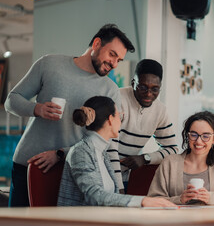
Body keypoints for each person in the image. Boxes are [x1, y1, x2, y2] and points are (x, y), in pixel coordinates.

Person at [5, 24, 134, 207]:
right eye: (112, 54)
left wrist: (60, 154)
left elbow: (104, 141)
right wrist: (37, 109)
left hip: (72, 171)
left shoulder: (110, 90)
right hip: (28, 163)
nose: (114, 63)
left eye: (119, 60)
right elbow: (11, 100)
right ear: (97, 43)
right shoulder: (49, 64)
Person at [57, 96, 175, 207]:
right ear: (110, 119)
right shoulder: (81, 152)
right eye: (119, 115)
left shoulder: (103, 153)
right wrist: (142, 201)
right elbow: (94, 196)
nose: (121, 120)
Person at [147, 111, 214, 205]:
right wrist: (179, 199)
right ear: (187, 136)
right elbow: (152, 200)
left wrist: (211, 198)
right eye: (194, 135)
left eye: (206, 136)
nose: (198, 141)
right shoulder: (170, 163)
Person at [107, 59, 178, 190]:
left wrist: (145, 158)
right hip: (101, 174)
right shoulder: (117, 99)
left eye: (155, 89)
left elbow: (172, 149)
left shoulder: (160, 111)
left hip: (123, 177)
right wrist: (119, 189)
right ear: (133, 83)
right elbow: (110, 148)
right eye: (143, 87)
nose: (149, 94)